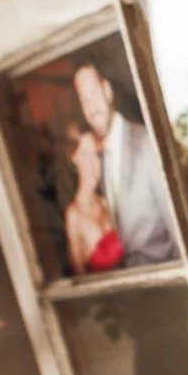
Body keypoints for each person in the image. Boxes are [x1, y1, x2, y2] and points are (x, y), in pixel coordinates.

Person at [70, 56, 180, 267]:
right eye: (84, 99)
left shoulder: (147, 143)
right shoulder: (100, 163)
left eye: (93, 94)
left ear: (108, 91)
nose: (91, 108)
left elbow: (178, 229)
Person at [63, 127, 124, 275]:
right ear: (74, 159)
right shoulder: (74, 215)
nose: (92, 162)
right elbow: (79, 279)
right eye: (85, 154)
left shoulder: (108, 201)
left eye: (95, 155)